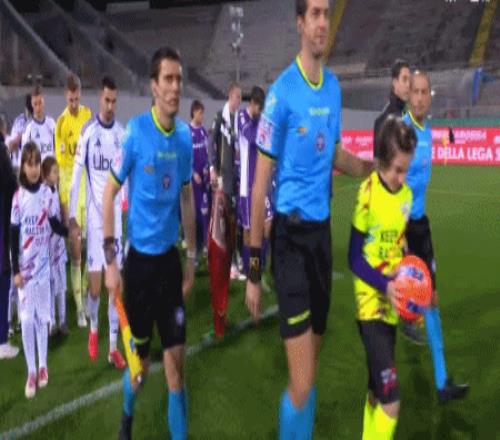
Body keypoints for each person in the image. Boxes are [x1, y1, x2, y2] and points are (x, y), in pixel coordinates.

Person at [245, 0, 373, 437]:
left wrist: (372, 168)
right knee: (301, 382)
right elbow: (259, 186)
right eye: (314, 14)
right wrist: (254, 269)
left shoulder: (333, 89)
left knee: (309, 371)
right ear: (300, 23)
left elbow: (335, 153)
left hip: (321, 240)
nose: (322, 22)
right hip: (290, 243)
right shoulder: (281, 93)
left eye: (326, 13)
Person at [103, 46, 196, 440]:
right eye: (168, 79)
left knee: (176, 367)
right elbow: (109, 193)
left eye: (179, 79)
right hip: (139, 267)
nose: (175, 87)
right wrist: (110, 262)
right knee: (139, 366)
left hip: (169, 265)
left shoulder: (185, 139)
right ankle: (127, 417)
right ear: (154, 86)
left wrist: (192, 256)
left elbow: (187, 197)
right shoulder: (135, 133)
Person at [403, 70, 469, 404]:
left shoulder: (426, 130)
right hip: (400, 230)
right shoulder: (402, 132)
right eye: (414, 91)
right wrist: (398, 238)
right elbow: (390, 184)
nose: (419, 98)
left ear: (430, 96)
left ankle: (443, 382)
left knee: (431, 299)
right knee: (395, 301)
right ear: (408, 95)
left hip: (421, 228)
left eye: (424, 92)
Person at [349, 116, 416, 439]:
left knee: (376, 390)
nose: (402, 178)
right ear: (382, 162)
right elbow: (354, 259)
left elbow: (401, 245)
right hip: (370, 304)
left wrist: (411, 283)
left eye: (406, 170)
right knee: (391, 401)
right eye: (397, 170)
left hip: (393, 303)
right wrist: (384, 285)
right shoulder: (367, 194)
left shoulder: (406, 197)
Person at [69, 76, 126, 369]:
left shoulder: (122, 134)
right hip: (94, 222)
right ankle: (93, 328)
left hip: (114, 223)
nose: (110, 106)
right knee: (95, 289)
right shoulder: (88, 133)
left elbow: (126, 175)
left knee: (115, 288)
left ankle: (113, 348)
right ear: (99, 98)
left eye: (114, 101)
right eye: (106, 100)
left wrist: (126, 200)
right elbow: (77, 176)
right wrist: (72, 217)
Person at [10, 142, 68, 398]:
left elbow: (54, 224)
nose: (33, 169)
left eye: (36, 164)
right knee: (27, 320)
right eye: (29, 164)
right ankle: (31, 371)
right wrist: (15, 270)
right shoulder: (18, 197)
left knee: (43, 317)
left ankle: (43, 365)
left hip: (44, 269)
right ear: (23, 167)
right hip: (25, 272)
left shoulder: (47, 194)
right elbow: (13, 236)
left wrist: (70, 232)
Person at [55, 74, 92, 328]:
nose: (74, 103)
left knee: (92, 248)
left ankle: (87, 295)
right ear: (66, 97)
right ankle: (79, 308)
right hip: (70, 189)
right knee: (76, 249)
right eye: (71, 100)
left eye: (77, 99)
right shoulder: (61, 124)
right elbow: (61, 169)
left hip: (88, 190)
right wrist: (64, 202)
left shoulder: (88, 116)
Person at [207, 82, 242, 338]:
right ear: (230, 95)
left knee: (228, 243)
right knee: (218, 247)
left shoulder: (237, 120)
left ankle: (223, 311)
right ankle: (218, 315)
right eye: (237, 97)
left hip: (232, 188)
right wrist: (212, 170)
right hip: (221, 188)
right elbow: (211, 144)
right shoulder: (220, 118)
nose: (239, 101)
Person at [235, 86, 271, 277]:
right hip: (246, 186)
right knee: (249, 231)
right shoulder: (241, 117)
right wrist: (262, 123)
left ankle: (260, 264)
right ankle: (250, 270)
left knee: (267, 225)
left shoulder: (259, 120)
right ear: (252, 103)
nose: (259, 111)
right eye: (258, 107)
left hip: (261, 182)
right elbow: (253, 137)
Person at [41, 157, 68, 337]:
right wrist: (67, 232)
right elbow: (52, 222)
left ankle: (63, 320)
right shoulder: (44, 193)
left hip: (59, 246)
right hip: (48, 246)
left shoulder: (55, 190)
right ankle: (51, 322)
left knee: (62, 284)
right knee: (51, 285)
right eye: (54, 172)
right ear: (46, 174)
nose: (57, 175)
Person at [0, 114, 20, 359]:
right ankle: (2, 341)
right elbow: (10, 185)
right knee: (3, 277)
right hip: (2, 225)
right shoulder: (2, 153)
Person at [373, 59, 410, 160]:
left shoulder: (409, 115)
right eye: (404, 79)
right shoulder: (383, 121)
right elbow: (379, 164)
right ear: (395, 82)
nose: (408, 84)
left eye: (409, 80)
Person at [189, 99, 210, 260]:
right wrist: (192, 173)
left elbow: (208, 153)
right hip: (193, 182)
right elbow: (184, 157)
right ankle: (193, 251)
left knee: (205, 214)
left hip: (204, 180)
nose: (202, 116)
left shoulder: (204, 132)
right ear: (194, 112)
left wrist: (208, 169)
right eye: (201, 113)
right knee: (193, 217)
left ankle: (205, 246)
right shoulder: (186, 132)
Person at [21, 85, 56, 161]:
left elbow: (56, 148)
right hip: (36, 167)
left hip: (49, 166)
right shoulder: (28, 127)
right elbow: (24, 154)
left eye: (40, 103)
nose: (38, 107)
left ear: (43, 101)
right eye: (35, 104)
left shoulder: (51, 123)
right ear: (31, 104)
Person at [7, 93, 33, 176]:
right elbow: (11, 146)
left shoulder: (42, 122)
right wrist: (21, 136)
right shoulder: (19, 120)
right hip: (19, 166)